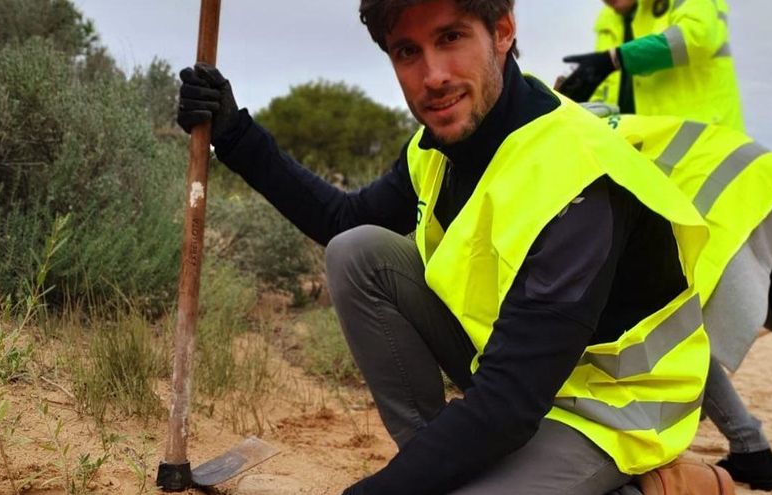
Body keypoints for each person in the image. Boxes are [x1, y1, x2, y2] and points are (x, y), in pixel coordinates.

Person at [176, 1, 730, 493]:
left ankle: (669, 484)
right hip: (515, 375)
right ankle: (440, 464)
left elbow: (509, 404)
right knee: (358, 251)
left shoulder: (578, 178)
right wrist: (235, 134)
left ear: (503, 30)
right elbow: (340, 219)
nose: (432, 76)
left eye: (451, 37)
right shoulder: (438, 144)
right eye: (407, 52)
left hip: (610, 408)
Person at [556, 1, 772, 490]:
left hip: (705, 168)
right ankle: (749, 446)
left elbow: (692, 41)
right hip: (656, 175)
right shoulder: (614, 21)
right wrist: (568, 97)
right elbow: (613, 95)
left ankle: (746, 444)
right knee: (670, 314)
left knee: (672, 313)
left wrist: (614, 60)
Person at [581, 101, 772, 492]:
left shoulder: (562, 129)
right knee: (679, 333)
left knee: (674, 332)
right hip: (744, 191)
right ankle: (751, 448)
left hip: (722, 210)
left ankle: (747, 447)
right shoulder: (600, 119)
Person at [558, 0, 743, 131]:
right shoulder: (609, 18)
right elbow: (608, 84)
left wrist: (616, 58)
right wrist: (573, 104)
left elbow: (697, 38)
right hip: (645, 146)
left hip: (705, 141)